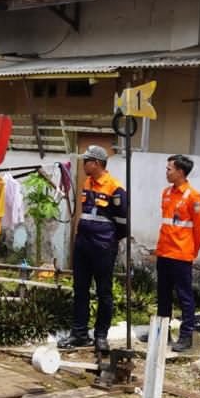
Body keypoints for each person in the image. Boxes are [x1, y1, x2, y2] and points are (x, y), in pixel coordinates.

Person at [61, 145, 128, 354]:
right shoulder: (87, 182)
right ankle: (79, 333)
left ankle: (100, 336)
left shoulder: (115, 187)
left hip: (103, 247)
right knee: (80, 290)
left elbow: (123, 222)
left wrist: (109, 240)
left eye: (86, 161)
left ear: (96, 163)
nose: (83, 165)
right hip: (83, 245)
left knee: (103, 292)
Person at [154, 154, 200, 352]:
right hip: (165, 252)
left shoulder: (194, 197)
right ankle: (161, 333)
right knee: (163, 295)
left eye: (169, 169)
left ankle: (185, 336)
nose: (166, 172)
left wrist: (193, 251)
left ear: (180, 172)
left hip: (182, 254)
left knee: (185, 297)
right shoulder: (167, 193)